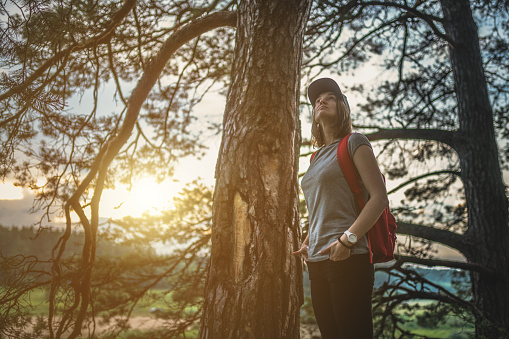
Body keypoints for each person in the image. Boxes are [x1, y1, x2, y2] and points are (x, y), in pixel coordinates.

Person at [292, 78, 389, 339]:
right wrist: (309, 239)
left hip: (349, 257)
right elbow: (324, 207)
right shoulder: (315, 157)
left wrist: (347, 241)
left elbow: (379, 198)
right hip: (317, 261)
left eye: (329, 97)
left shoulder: (355, 142)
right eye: (316, 100)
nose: (320, 100)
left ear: (342, 107)